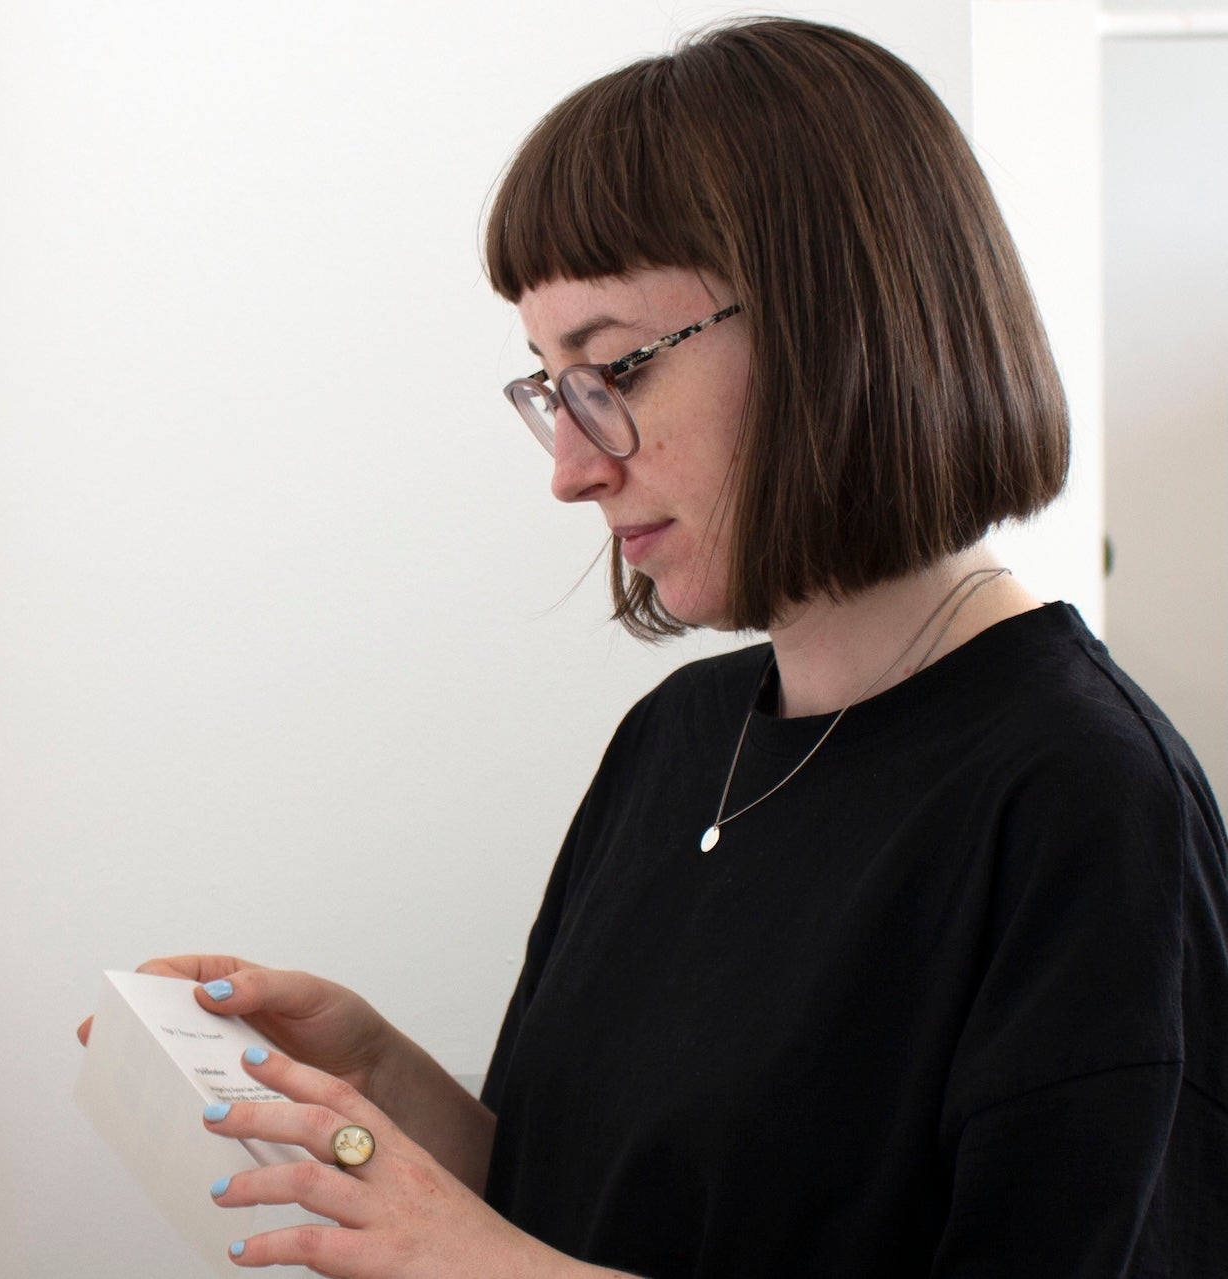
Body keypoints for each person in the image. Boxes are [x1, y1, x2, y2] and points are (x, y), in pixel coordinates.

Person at [78, 17, 1228, 1277]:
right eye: (547, 387)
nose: (572, 468)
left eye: (610, 368)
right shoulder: (679, 736)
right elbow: (601, 1209)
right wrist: (382, 1083)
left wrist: (474, 1261)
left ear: (834, 327)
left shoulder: (1087, 801)